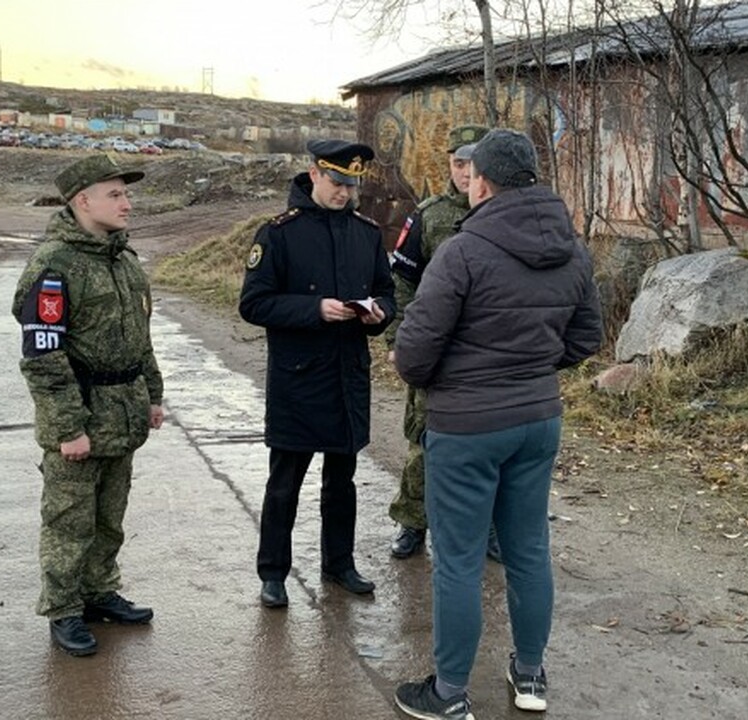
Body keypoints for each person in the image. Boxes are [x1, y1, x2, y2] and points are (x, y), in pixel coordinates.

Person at [392, 129, 603, 718]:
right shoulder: (572, 247)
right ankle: (530, 677)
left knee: (457, 560)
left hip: (466, 427)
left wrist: (464, 377)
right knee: (529, 549)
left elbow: (414, 355)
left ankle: (450, 692)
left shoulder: (462, 250)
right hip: (538, 419)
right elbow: (587, 337)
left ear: (480, 181)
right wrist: (530, 369)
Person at [11, 154, 166, 657]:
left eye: (126, 193)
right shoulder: (55, 264)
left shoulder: (123, 260)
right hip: (80, 416)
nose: (127, 202)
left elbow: (141, 338)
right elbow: (43, 356)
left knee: (108, 517)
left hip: (123, 412)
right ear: (83, 201)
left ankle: (99, 592)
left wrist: (153, 395)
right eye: (115, 194)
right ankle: (64, 609)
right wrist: (67, 428)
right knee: (68, 520)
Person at [239, 138, 396, 610]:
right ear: (313, 175)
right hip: (298, 379)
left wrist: (378, 315)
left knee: (342, 480)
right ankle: (273, 573)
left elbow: (388, 296)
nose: (344, 193)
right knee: (285, 482)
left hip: (347, 376)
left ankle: (339, 563)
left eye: (351, 185)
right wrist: (314, 309)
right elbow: (253, 303)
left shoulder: (366, 234)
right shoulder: (279, 234)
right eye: (336, 182)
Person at [386, 124, 503, 563]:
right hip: (433, 350)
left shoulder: (502, 212)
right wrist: (399, 340)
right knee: (424, 439)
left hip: (485, 354)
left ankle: (488, 528)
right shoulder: (428, 215)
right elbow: (401, 281)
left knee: (489, 446)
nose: (465, 173)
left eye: (474, 165)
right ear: (449, 165)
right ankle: (413, 521)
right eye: (458, 164)